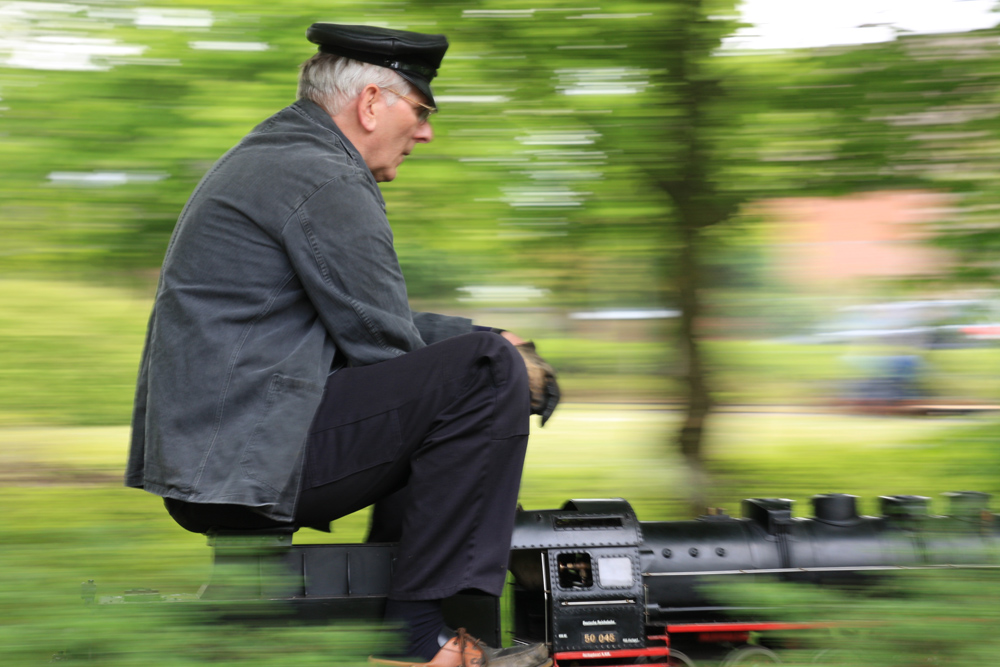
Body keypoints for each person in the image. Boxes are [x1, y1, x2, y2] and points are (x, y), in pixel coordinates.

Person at [126, 22, 558, 667]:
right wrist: (497, 358)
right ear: (371, 103)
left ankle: (377, 619)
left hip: (222, 455)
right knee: (484, 374)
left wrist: (480, 336)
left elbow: (358, 324)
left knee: (476, 363)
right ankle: (421, 641)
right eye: (421, 110)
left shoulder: (281, 156)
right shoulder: (324, 176)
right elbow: (388, 349)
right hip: (247, 459)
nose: (427, 132)